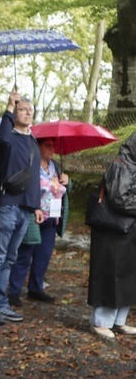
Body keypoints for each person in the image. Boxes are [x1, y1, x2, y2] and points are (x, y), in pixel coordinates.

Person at [0, 92, 42, 326]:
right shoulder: (7, 138)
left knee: (10, 258)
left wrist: (35, 205)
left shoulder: (32, 140)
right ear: (14, 113)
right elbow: (3, 140)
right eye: (22, 109)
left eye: (30, 109)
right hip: (6, 205)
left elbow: (34, 176)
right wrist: (8, 107)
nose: (27, 112)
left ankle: (2, 302)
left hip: (24, 209)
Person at [8, 138, 70, 307]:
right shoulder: (31, 164)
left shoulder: (56, 167)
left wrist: (67, 181)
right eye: (48, 145)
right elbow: (25, 187)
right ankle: (14, 291)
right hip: (34, 216)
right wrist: (33, 206)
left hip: (52, 217)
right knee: (25, 253)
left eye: (54, 145)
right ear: (39, 147)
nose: (52, 149)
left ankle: (36, 288)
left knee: (43, 255)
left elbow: (63, 191)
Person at [87, 132, 136, 339]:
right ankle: (100, 322)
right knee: (110, 274)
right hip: (113, 232)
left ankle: (118, 321)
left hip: (126, 231)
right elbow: (120, 199)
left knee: (127, 276)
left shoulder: (131, 165)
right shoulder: (120, 165)